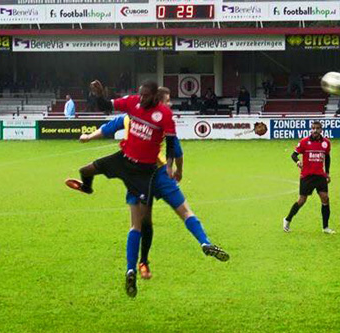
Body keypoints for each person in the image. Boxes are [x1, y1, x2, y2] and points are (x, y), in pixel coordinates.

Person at [80, 87, 229, 281]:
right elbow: (177, 151)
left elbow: (108, 127)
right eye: (167, 101)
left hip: (136, 174)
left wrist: (88, 137)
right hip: (159, 174)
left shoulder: (129, 118)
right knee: (184, 212)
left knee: (137, 225)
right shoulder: (162, 123)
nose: (170, 105)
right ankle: (203, 242)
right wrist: (178, 171)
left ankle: (132, 268)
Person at [65, 80, 178, 298]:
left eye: (146, 96)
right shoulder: (133, 103)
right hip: (122, 159)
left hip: (144, 172)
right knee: (85, 170)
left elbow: (172, 144)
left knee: (144, 222)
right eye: (140, 94)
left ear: (155, 96)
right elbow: (107, 106)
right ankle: (87, 189)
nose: (142, 98)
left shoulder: (163, 114)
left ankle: (138, 264)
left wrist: (171, 166)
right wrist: (98, 94)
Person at [283, 121, 335, 234]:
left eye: (317, 128)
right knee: (302, 201)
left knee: (325, 198)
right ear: (311, 129)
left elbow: (327, 158)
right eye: (313, 128)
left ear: (321, 130)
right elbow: (293, 154)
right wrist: (297, 162)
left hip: (320, 175)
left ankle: (325, 227)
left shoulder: (326, 143)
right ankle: (287, 219)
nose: (315, 130)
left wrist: (327, 173)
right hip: (307, 176)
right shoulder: (304, 142)